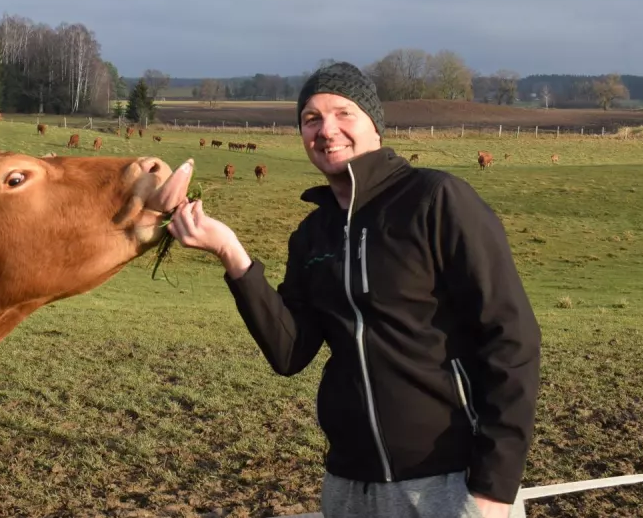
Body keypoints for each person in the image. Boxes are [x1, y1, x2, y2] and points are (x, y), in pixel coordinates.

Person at [168, 61, 541, 518]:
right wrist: (231, 253)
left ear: (374, 123)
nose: (327, 130)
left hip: (449, 483)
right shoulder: (312, 235)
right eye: (311, 119)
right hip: (349, 487)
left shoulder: (436, 200)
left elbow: (511, 339)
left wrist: (494, 489)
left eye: (343, 113)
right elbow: (290, 352)